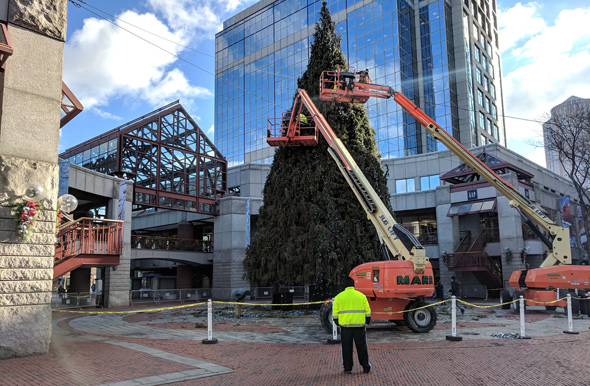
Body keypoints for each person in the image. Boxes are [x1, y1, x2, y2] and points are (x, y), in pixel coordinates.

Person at [333, 276, 372, 374]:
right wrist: (367, 321)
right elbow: (367, 310)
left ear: (344, 286)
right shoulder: (361, 296)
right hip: (359, 326)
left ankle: (347, 368)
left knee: (346, 348)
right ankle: (365, 366)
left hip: (345, 327)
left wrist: (337, 322)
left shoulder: (339, 297)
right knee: (362, 347)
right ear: (353, 285)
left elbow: (335, 313)